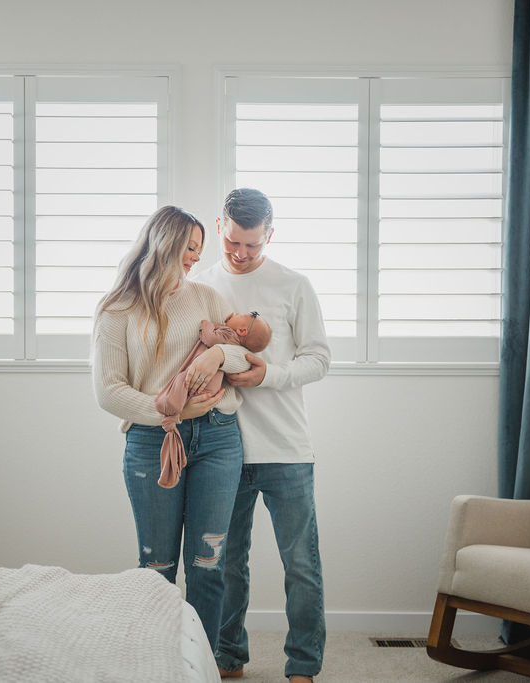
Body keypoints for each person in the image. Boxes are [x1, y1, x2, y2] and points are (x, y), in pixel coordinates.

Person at [91, 205, 252, 653]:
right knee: (157, 565)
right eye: (188, 249)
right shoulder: (117, 309)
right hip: (152, 442)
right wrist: (170, 413)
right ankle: (157, 661)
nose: (193, 260)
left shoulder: (206, 298)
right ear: (163, 242)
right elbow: (109, 391)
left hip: (219, 438)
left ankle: (199, 663)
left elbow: (244, 357)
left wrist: (216, 356)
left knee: (207, 564)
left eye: (199, 251)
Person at [195, 188, 331, 683]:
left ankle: (303, 667)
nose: (240, 253)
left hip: (287, 449)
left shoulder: (294, 285)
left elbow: (318, 358)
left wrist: (266, 374)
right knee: (226, 565)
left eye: (252, 245)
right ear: (218, 227)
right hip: (220, 450)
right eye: (233, 242)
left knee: (301, 565)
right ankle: (228, 658)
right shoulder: (201, 286)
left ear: (269, 236)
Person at [155, 312, 272, 488]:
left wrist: (205, 324)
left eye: (248, 314)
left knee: (182, 382)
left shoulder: (227, 335)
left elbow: (209, 337)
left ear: (241, 330)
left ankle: (168, 408)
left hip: (205, 384)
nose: (237, 312)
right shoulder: (232, 338)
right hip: (211, 387)